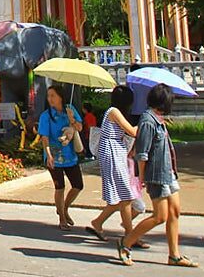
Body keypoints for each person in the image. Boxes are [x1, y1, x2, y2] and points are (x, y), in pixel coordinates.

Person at [118, 84, 198, 268]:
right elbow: (142, 153)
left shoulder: (157, 119)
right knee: (160, 216)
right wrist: (142, 178)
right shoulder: (147, 121)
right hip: (156, 176)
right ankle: (126, 243)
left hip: (169, 173)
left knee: (174, 211)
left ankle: (174, 255)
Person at [87, 86, 148, 245]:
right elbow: (132, 132)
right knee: (125, 196)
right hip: (112, 154)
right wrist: (146, 120)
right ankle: (130, 235)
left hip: (116, 153)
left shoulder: (115, 112)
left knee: (119, 197)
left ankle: (99, 223)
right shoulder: (114, 112)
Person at [38, 84, 84, 230]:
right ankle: (62, 218)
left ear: (60, 97)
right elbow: (44, 137)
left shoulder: (69, 109)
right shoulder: (46, 115)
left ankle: (64, 207)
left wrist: (73, 120)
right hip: (54, 156)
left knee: (78, 185)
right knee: (60, 187)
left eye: (53, 95)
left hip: (70, 155)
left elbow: (80, 127)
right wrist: (48, 155)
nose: (50, 99)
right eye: (48, 96)